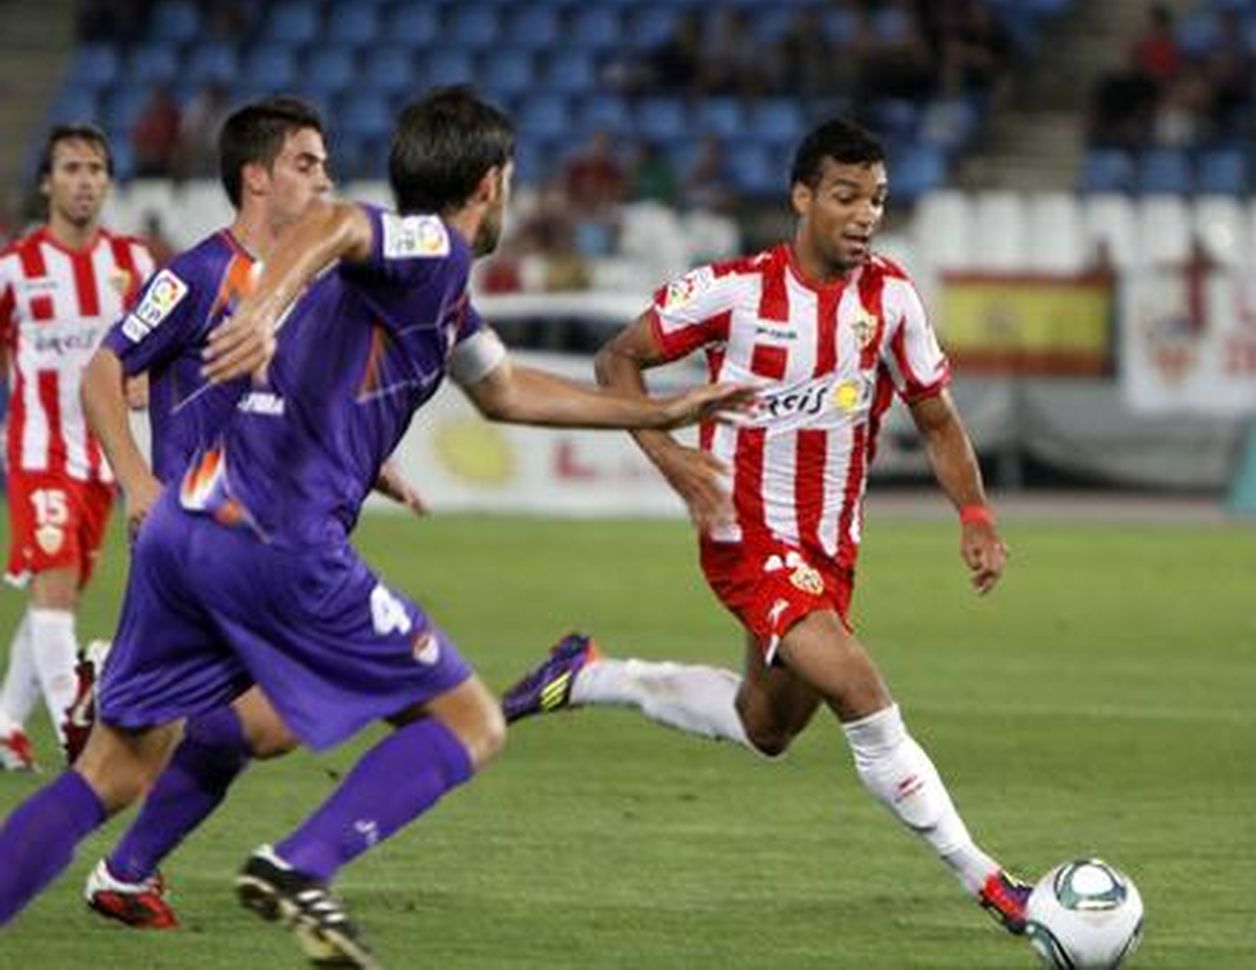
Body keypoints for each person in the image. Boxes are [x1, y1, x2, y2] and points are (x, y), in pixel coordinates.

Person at [0, 87, 751, 965]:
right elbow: (342, 226)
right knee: (471, 721)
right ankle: (300, 863)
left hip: (192, 525)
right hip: (278, 538)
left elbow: (505, 390)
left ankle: (132, 867)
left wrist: (652, 414)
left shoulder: (438, 294)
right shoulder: (428, 246)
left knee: (115, 772)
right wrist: (262, 307)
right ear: (490, 182)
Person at [503, 119, 1032, 937]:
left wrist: (974, 513)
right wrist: (668, 455)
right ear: (803, 197)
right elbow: (618, 360)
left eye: (879, 199)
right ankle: (995, 885)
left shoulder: (891, 300)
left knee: (768, 726)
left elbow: (936, 418)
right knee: (860, 690)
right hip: (744, 534)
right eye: (847, 196)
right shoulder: (733, 290)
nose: (865, 215)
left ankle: (591, 674)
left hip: (830, 547)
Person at [75, 95, 421, 929]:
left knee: (253, 729)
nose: (327, 180)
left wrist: (369, 467)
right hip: (200, 547)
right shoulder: (195, 275)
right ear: (257, 177)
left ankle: (123, 866)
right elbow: (101, 372)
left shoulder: (318, 286)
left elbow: (294, 406)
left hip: (270, 542)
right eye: (309, 163)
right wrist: (137, 481)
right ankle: (113, 843)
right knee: (228, 730)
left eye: (328, 165)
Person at [0, 124, 156, 772]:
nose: (84, 180)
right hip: (37, 453)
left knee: (52, 600)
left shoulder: (135, 266)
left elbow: (153, 351)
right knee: (56, 588)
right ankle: (78, 731)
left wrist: (144, 379)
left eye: (95, 168)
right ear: (46, 182)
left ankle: (5, 722)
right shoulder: (14, 269)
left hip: (100, 461)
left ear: (109, 181)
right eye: (70, 168)